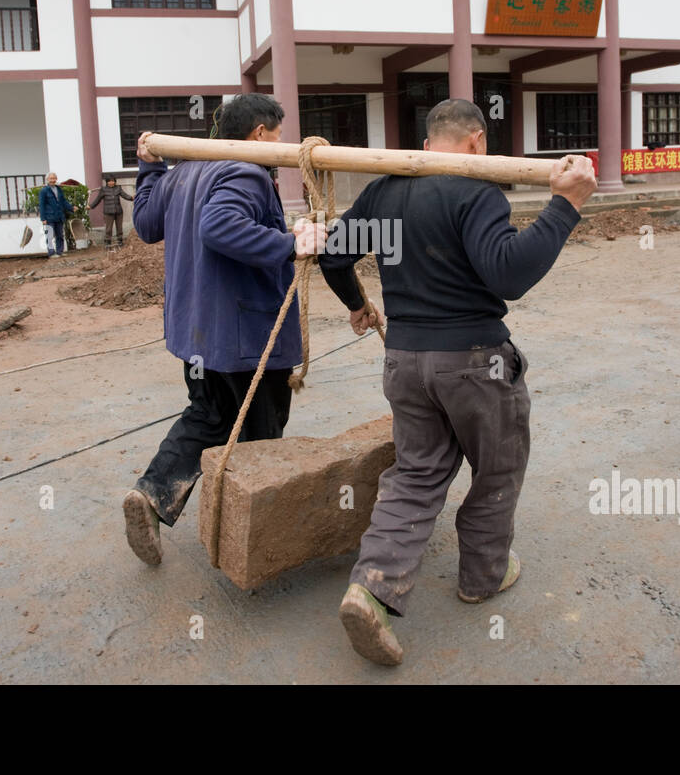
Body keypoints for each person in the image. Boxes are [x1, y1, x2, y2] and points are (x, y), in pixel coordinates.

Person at [317, 97, 597, 666]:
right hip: (474, 360)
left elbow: (332, 254)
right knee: (496, 468)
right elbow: (509, 274)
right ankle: (482, 577)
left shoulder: (388, 188)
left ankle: (371, 587)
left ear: (426, 144)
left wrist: (358, 303)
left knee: (416, 473)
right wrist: (564, 206)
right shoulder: (475, 188)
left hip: (404, 360)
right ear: (477, 142)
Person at [122, 93, 326, 566]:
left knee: (208, 416)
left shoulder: (185, 170)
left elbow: (147, 224)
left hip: (195, 333)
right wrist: (289, 242)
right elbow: (218, 227)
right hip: (243, 335)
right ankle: (249, 542)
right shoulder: (246, 172)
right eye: (278, 134)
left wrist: (149, 168)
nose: (281, 143)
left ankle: (152, 495)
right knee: (258, 435)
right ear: (260, 134)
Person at [88, 176, 134, 248]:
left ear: (115, 181)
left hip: (118, 211)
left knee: (119, 228)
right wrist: (90, 206)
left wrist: (131, 198)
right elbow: (98, 199)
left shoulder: (118, 188)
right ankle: (108, 242)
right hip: (108, 212)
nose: (111, 182)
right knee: (109, 229)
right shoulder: (103, 189)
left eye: (113, 181)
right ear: (107, 182)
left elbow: (124, 195)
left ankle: (120, 241)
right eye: (109, 181)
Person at [38, 172, 73, 258]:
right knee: (49, 235)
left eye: (54, 178)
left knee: (60, 235)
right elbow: (41, 205)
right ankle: (51, 253)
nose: (53, 180)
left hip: (59, 216)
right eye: (51, 178)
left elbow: (63, 201)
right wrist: (43, 218)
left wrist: (71, 208)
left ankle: (59, 252)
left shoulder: (58, 189)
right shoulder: (44, 190)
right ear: (47, 180)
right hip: (49, 217)